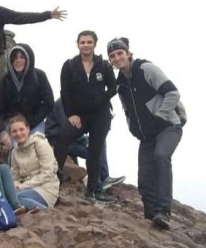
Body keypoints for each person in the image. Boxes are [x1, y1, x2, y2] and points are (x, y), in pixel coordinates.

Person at [108, 37, 186, 230]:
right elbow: (127, 110)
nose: (117, 58)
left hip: (168, 126)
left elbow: (173, 93)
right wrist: (133, 128)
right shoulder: (120, 85)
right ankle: (151, 216)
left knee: (161, 157)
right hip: (146, 136)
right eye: (112, 56)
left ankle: (164, 212)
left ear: (128, 53)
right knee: (144, 178)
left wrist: (159, 116)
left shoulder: (146, 69)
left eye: (120, 53)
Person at [54, 30, 118, 203]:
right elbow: (64, 92)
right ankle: (55, 180)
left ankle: (91, 192)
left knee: (95, 152)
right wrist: (71, 114)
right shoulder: (69, 65)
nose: (86, 45)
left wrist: (101, 99)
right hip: (79, 116)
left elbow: (113, 88)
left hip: (100, 115)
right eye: (82, 42)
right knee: (61, 140)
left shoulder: (103, 65)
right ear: (78, 44)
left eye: (89, 42)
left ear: (95, 44)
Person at [45, 99, 125, 194]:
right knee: (92, 153)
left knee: (100, 141)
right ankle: (97, 187)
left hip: (72, 139)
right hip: (58, 141)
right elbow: (68, 129)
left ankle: (105, 177)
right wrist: (85, 141)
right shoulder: (64, 104)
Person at [0, 43, 55, 150]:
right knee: (14, 148)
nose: (18, 60)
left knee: (37, 146)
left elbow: (48, 103)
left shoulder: (40, 76)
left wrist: (31, 121)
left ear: (29, 59)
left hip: (34, 122)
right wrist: (2, 131)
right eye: (15, 57)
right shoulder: (5, 80)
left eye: (22, 57)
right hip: (12, 124)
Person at [8, 115, 60, 211]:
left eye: (21, 129)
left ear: (28, 129)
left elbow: (47, 173)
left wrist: (22, 186)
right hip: (26, 189)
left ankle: (45, 210)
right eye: (14, 131)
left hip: (46, 188)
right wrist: (16, 185)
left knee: (14, 198)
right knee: (11, 197)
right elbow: (14, 176)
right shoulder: (14, 152)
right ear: (11, 134)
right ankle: (28, 207)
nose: (18, 133)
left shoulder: (40, 144)